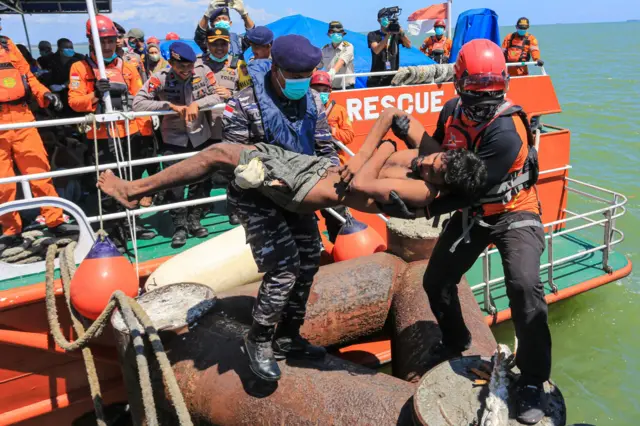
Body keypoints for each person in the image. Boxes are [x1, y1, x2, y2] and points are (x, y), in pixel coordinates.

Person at [367, 39, 549, 425]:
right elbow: (440, 160)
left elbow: (473, 187)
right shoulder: (451, 113)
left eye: (492, 92)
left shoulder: (505, 132)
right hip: (472, 214)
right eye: (475, 91)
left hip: (513, 211)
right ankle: (456, 339)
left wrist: (424, 207)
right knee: (436, 282)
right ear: (459, 86)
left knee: (524, 286)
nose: (483, 101)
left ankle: (533, 379)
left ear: (504, 87)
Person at [221, 34, 339, 381]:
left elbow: (325, 149)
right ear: (275, 69)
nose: (301, 82)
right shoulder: (243, 105)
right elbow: (230, 156)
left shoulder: (314, 103)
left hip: (298, 193)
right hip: (255, 195)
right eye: (294, 76)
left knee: (308, 259)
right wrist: (244, 174)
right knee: (285, 265)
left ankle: (288, 336)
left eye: (307, 76)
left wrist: (333, 182)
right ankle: (258, 339)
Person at [97, 139, 486, 224]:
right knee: (232, 150)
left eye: (436, 170)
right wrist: (382, 144)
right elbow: (390, 116)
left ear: (443, 186)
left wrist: (382, 146)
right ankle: (134, 191)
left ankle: (132, 191)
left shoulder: (421, 188)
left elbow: (363, 183)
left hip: (305, 189)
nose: (429, 163)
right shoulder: (423, 166)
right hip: (313, 169)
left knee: (219, 154)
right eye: (439, 158)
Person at [68, 15, 155, 241]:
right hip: (100, 136)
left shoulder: (127, 66)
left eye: (110, 40)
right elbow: (74, 102)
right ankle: (112, 231)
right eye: (102, 40)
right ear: (92, 41)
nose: (106, 45)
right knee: (107, 185)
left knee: (132, 179)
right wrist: (94, 95)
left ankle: (131, 224)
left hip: (129, 132)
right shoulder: (80, 68)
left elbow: (139, 95)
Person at [133, 42, 223, 248]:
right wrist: (168, 106)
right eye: (181, 67)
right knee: (175, 186)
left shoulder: (203, 71)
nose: (186, 71)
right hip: (173, 139)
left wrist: (196, 104)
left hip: (200, 136)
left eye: (189, 67)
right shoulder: (160, 78)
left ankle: (194, 220)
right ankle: (179, 226)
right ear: (171, 63)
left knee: (199, 182)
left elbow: (217, 94)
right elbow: (138, 102)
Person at [0, 33, 76, 252]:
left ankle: (54, 220)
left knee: (39, 171)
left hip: (23, 117)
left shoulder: (8, 45)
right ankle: (10, 230)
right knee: (3, 182)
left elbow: (29, 77)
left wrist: (46, 94)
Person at [310, 70, 355, 242]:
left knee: (337, 214)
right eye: (316, 89)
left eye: (324, 89)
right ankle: (318, 246)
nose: (320, 93)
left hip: (335, 167)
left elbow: (349, 136)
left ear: (330, 91)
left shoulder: (339, 111)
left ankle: (339, 244)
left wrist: (331, 130)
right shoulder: (305, 109)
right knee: (309, 214)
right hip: (311, 167)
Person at [367, 8, 411, 88]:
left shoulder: (396, 35)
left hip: (392, 77)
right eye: (384, 18)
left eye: (388, 18)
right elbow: (376, 50)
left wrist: (401, 32)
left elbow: (408, 45)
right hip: (377, 78)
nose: (387, 20)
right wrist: (388, 34)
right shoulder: (372, 35)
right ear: (379, 21)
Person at [45, 38, 84, 116]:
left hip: (73, 89)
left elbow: (78, 77)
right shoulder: (52, 60)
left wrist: (63, 86)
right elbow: (50, 74)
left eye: (71, 47)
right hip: (56, 91)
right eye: (67, 48)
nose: (69, 49)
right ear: (60, 49)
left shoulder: (78, 60)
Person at [320, 21, 355, 90]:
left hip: (346, 87)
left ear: (342, 34)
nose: (336, 34)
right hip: (330, 88)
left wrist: (331, 73)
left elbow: (341, 61)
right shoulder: (324, 49)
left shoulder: (348, 47)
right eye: (333, 32)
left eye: (339, 32)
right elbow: (317, 66)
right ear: (329, 34)